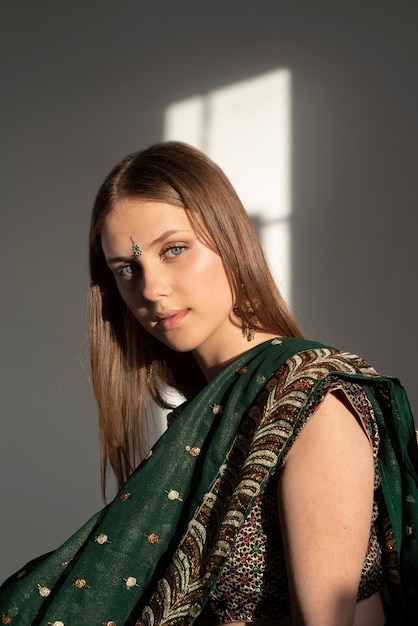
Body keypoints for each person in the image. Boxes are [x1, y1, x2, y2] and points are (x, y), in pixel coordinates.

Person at [1, 141, 417, 626]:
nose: (151, 288)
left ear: (230, 240)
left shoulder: (312, 400)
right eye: (127, 269)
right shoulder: (206, 412)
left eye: (174, 249)